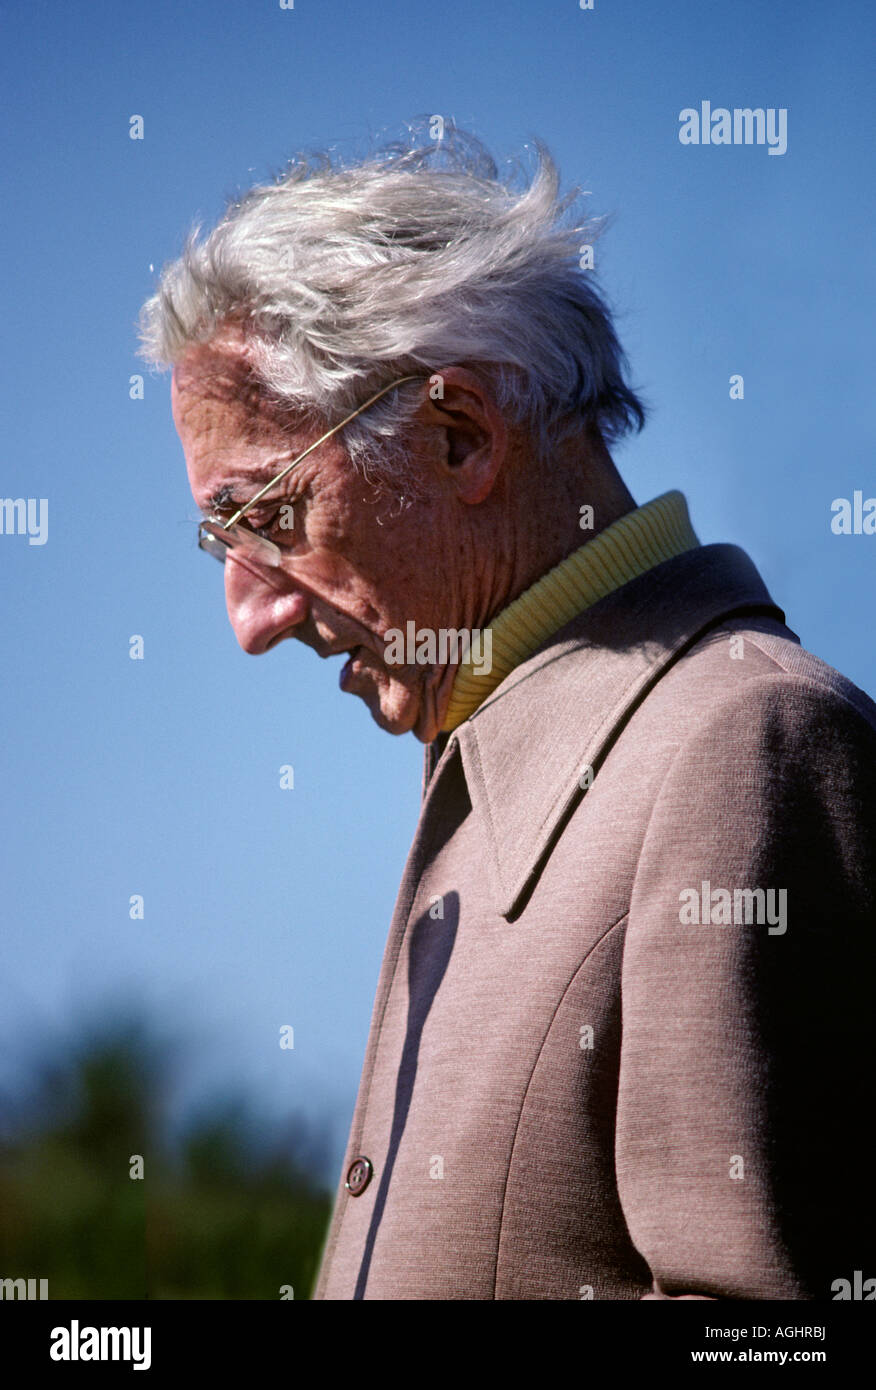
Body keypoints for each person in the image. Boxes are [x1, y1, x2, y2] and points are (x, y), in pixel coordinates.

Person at [139, 126, 876, 1300]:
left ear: (459, 434)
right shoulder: (510, 764)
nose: (250, 618)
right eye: (218, 540)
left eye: (266, 515)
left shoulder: (746, 742)